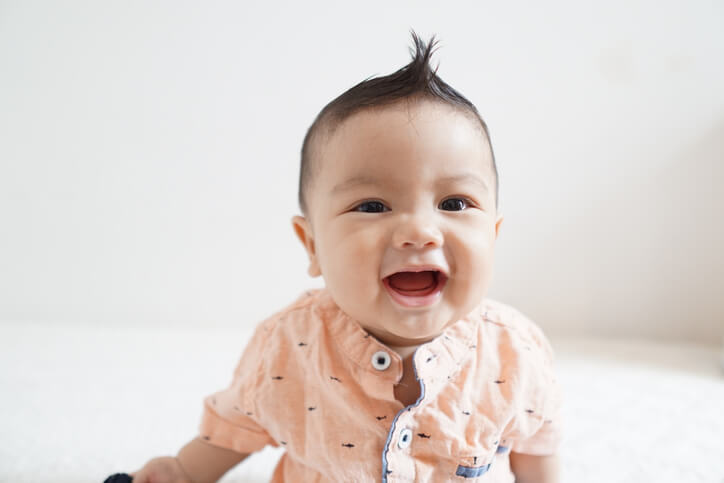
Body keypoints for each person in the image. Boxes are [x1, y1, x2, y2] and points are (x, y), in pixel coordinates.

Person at [128, 31, 563, 483]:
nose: (418, 231)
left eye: (454, 203)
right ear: (312, 245)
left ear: (493, 235)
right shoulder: (289, 344)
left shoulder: (514, 351)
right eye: (372, 206)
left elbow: (537, 439)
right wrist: (181, 470)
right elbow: (236, 422)